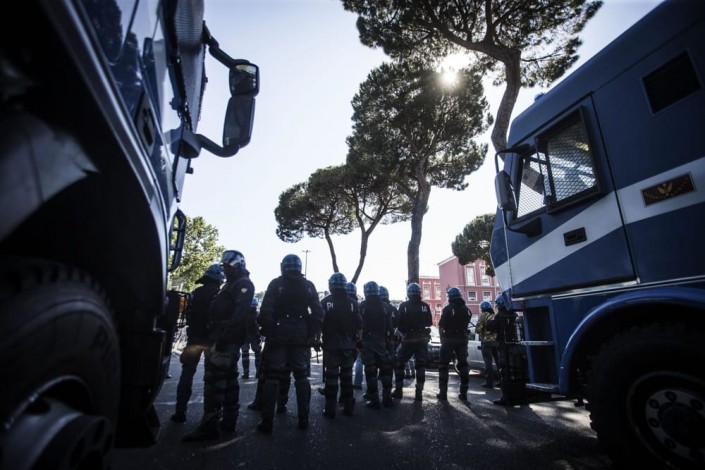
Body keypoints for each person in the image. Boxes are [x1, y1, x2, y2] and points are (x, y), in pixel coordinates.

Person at [183, 250, 254, 441]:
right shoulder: (231, 284)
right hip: (220, 337)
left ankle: (209, 426)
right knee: (229, 380)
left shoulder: (242, 284)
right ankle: (229, 420)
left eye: (228, 265)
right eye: (224, 265)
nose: (225, 268)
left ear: (239, 264)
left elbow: (239, 314)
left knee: (213, 381)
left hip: (225, 340)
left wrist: (224, 338)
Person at [256, 254, 324, 433]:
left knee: (272, 377)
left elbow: (266, 310)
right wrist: (309, 332)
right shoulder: (308, 285)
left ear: (283, 267)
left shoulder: (276, 283)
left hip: (279, 333)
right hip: (301, 334)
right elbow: (318, 312)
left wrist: (270, 332)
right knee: (301, 376)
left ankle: (267, 421)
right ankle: (304, 419)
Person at [171, 264, 224, 423]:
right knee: (211, 378)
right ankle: (209, 415)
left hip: (194, 339)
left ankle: (180, 412)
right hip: (211, 342)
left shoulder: (195, 293)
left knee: (187, 374)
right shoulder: (220, 295)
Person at [320, 273, 362, 418]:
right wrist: (359, 342)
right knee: (346, 377)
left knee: (331, 378)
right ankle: (348, 407)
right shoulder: (353, 303)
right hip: (348, 345)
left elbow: (319, 323)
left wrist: (316, 340)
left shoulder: (325, 302)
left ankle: (330, 409)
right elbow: (359, 325)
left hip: (331, 345)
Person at [393, 282, 433, 401]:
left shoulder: (403, 306)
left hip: (408, 339)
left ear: (408, 293)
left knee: (399, 363)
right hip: (422, 339)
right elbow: (429, 323)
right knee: (420, 366)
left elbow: (398, 323)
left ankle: (399, 390)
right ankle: (419, 392)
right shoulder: (425, 306)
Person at [359, 281, 395, 409]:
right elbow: (390, 326)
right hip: (382, 342)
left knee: (371, 372)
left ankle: (374, 400)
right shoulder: (385, 306)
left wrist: (359, 341)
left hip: (368, 342)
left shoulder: (362, 306)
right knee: (385, 371)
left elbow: (359, 326)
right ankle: (387, 398)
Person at [488, 294, 526, 406]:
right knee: (517, 370)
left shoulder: (499, 316)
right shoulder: (514, 314)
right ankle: (520, 394)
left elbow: (490, 326)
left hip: (504, 347)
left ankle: (506, 397)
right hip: (515, 345)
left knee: (504, 371)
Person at [436, 287, 471, 401]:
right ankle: (464, 392)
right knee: (463, 365)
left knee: (443, 365)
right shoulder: (466, 309)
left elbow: (441, 326)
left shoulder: (447, 309)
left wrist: (442, 339)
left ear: (450, 297)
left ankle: (443, 393)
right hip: (462, 339)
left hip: (449, 339)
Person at [475, 300, 499, 388]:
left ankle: (489, 382)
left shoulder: (483, 315)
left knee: (488, 362)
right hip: (496, 342)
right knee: (498, 362)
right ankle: (502, 380)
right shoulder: (494, 315)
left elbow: (478, 330)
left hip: (486, 342)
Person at [240, 297, 262, 380]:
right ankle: (258, 373)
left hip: (245, 336)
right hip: (255, 336)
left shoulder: (243, 314)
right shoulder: (257, 314)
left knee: (245, 354)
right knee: (258, 354)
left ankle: (246, 373)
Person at [349, 283, 364, 391]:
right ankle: (357, 383)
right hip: (357, 337)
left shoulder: (342, 302)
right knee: (359, 360)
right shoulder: (358, 304)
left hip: (347, 337)